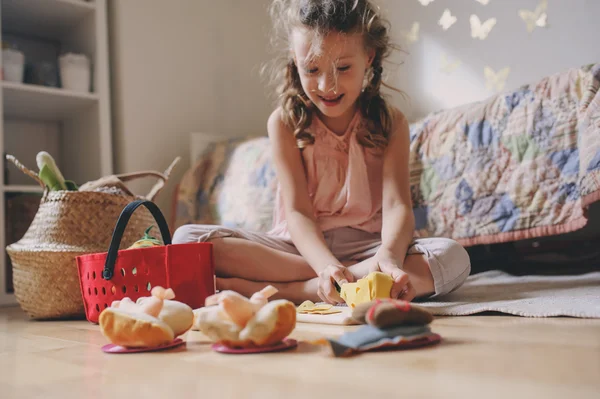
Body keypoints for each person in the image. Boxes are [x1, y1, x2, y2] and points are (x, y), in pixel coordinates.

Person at [173, 0, 471, 305]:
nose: (328, 85)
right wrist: (326, 265)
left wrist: (390, 258)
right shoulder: (284, 123)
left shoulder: (390, 122)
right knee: (187, 240)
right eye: (312, 69)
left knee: (452, 257)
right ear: (295, 59)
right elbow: (299, 212)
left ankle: (293, 290)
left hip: (369, 248)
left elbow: (397, 206)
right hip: (298, 248)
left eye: (343, 68)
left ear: (368, 57)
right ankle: (344, 282)